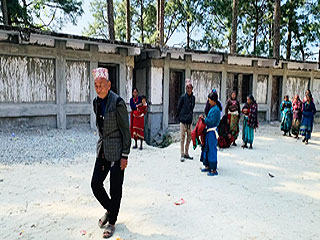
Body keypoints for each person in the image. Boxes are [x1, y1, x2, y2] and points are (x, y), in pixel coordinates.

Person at [91, 68, 131, 239]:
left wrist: (125, 155)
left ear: (109, 85)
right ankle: (111, 210)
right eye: (96, 85)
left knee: (115, 189)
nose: (98, 88)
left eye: (101, 85)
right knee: (95, 184)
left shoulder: (118, 103)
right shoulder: (96, 102)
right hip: (103, 150)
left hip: (117, 152)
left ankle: (112, 221)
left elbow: (125, 131)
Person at [200, 91, 221, 176]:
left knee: (212, 149)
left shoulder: (216, 110)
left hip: (212, 132)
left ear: (214, 100)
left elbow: (211, 121)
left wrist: (204, 120)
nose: (209, 102)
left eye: (210, 100)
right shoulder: (213, 108)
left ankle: (213, 169)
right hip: (209, 132)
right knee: (207, 148)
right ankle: (208, 166)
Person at [176, 80, 195, 162]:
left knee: (190, 137)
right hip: (183, 120)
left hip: (189, 121)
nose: (189, 89)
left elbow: (192, 108)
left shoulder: (193, 98)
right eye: (187, 88)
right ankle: (182, 154)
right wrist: (180, 117)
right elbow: (178, 107)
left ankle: (187, 153)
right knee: (182, 138)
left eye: (190, 88)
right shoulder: (183, 97)